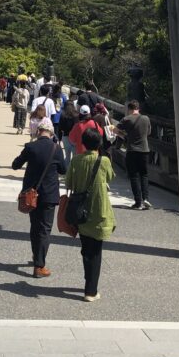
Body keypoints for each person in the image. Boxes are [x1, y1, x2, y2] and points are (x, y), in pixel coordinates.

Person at [65, 126, 116, 302]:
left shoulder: (76, 160)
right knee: (95, 252)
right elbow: (110, 177)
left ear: (83, 143)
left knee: (86, 249)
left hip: (80, 210)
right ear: (99, 143)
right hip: (99, 209)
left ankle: (89, 282)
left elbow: (69, 183)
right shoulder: (104, 161)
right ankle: (91, 290)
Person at [12, 118, 66, 278]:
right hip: (49, 194)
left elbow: (15, 165)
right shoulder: (56, 148)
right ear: (51, 132)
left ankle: (37, 256)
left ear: (38, 131)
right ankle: (39, 266)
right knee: (45, 229)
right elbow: (63, 170)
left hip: (31, 195)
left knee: (35, 227)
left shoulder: (30, 147)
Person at [114, 100, 152, 209]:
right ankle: (146, 199)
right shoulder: (146, 118)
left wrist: (124, 135)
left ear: (129, 109)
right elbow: (148, 133)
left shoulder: (126, 119)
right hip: (144, 150)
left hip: (132, 150)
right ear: (138, 108)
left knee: (134, 176)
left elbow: (115, 130)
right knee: (144, 175)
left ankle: (138, 202)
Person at [59, 100, 79, 167]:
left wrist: (59, 138)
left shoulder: (63, 114)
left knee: (67, 155)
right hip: (75, 138)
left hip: (66, 137)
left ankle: (67, 170)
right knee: (75, 155)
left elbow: (60, 127)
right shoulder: (77, 114)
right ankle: (74, 169)